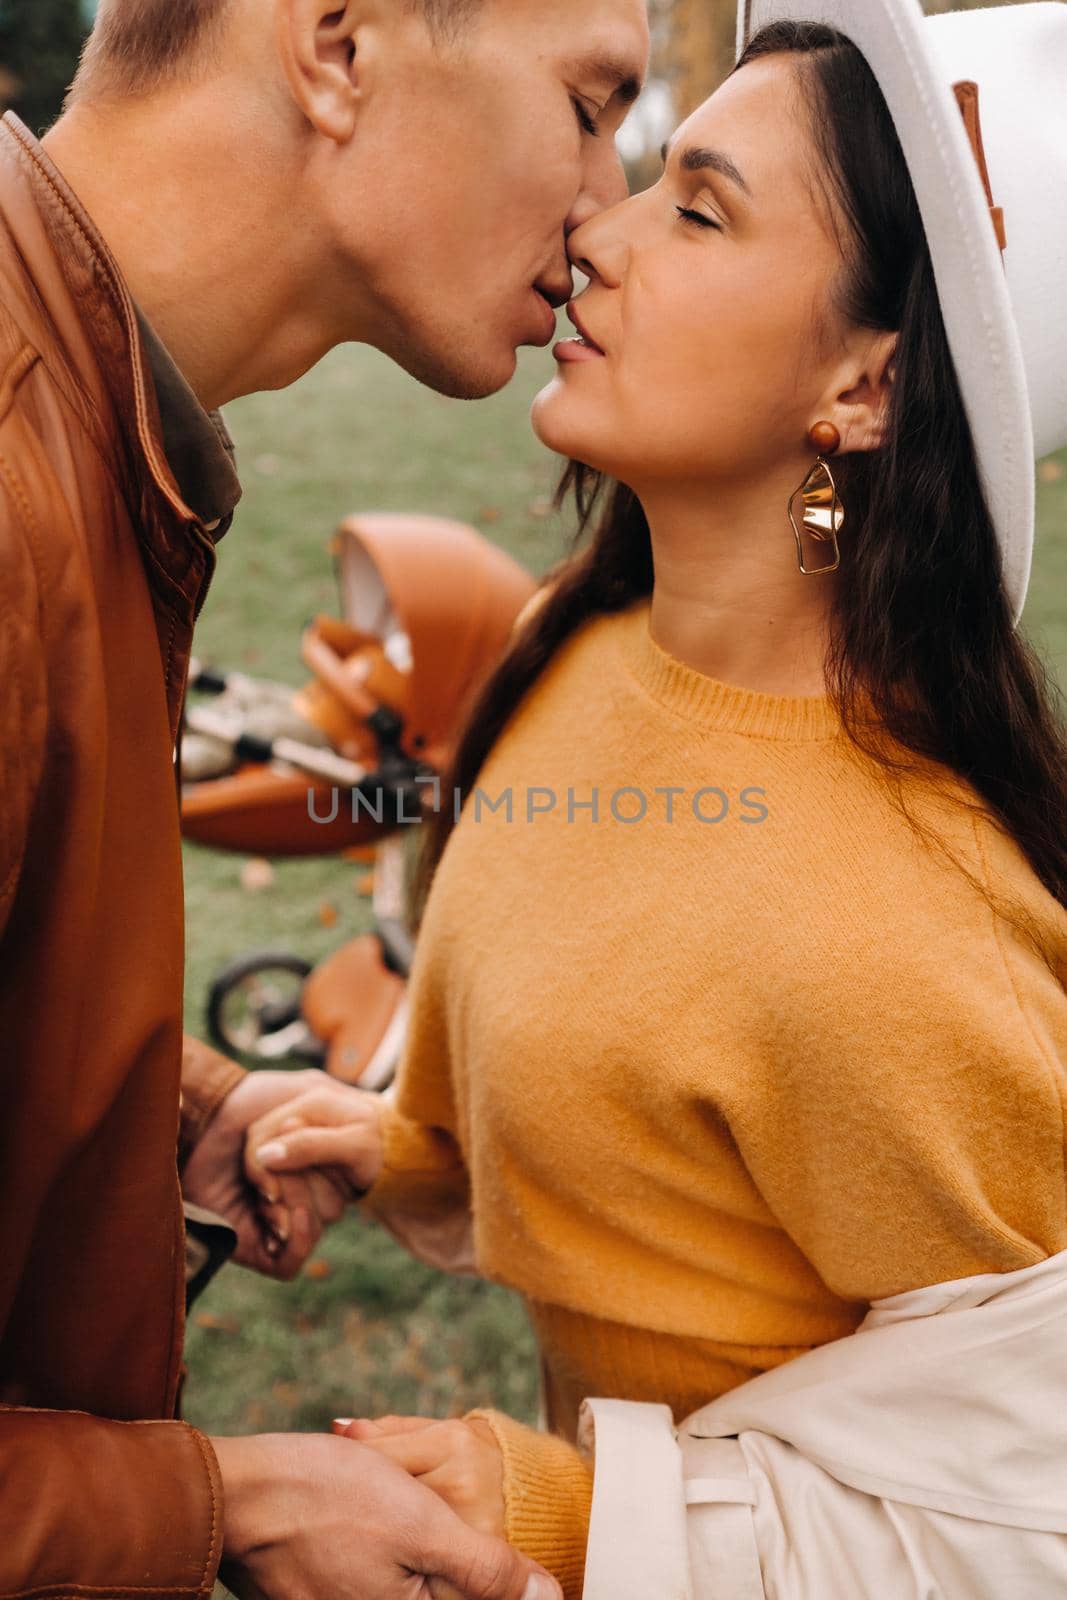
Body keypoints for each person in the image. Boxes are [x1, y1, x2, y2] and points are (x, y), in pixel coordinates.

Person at [243, 0, 1067, 1595]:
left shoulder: (907, 928)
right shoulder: (577, 641)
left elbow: (1017, 1518)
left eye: (698, 210)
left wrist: (559, 1507)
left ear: (865, 387)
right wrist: (409, 1144)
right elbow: (640, 1072)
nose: (597, 233)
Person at [0, 0, 649, 1594]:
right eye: (585, 102)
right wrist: (218, 1505)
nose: (608, 205)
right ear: (339, 45)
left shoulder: (92, 423)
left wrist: (158, 1113)